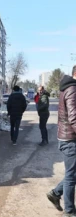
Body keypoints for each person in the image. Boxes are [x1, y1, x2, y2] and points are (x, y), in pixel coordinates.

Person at [47, 66, 76, 216]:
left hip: (69, 136)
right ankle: (69, 211)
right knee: (71, 175)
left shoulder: (68, 88)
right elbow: (73, 117)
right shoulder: (72, 89)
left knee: (73, 173)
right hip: (70, 139)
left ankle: (55, 193)